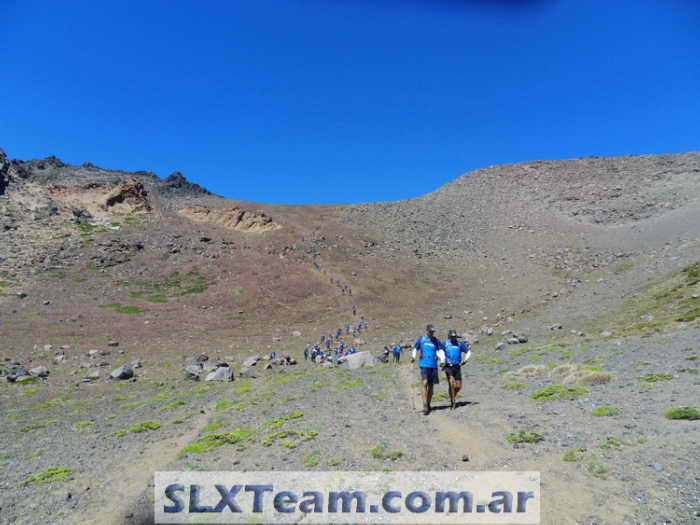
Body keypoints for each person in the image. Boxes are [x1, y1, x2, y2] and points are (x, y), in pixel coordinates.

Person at [411, 324, 445, 415]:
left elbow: (441, 350)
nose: (431, 333)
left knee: (431, 385)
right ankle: (425, 404)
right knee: (424, 382)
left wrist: (442, 360)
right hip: (424, 363)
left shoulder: (436, 340)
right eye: (430, 331)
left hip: (433, 365)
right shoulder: (422, 339)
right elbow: (415, 348)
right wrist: (413, 356)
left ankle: (428, 404)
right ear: (427, 331)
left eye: (433, 332)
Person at [442, 330, 471, 410]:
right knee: (452, 383)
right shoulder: (445, 344)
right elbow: (440, 351)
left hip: (457, 366)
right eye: (452, 337)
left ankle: (452, 396)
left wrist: (465, 360)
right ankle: (453, 402)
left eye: (454, 337)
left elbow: (468, 352)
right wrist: (441, 360)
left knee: (458, 386)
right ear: (449, 337)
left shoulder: (460, 344)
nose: (453, 338)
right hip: (448, 366)